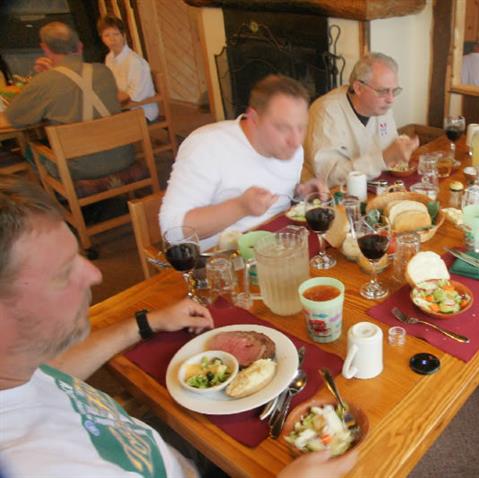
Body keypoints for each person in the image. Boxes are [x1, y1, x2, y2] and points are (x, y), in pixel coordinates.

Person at [0, 175, 358, 477]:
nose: (95, 273)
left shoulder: (16, 373)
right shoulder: (37, 465)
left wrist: (145, 323)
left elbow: (51, 374)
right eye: (63, 273)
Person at [160, 74, 327, 250]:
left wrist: (301, 195)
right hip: (219, 261)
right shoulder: (206, 146)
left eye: (301, 127)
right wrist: (240, 207)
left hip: (278, 249)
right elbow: (172, 231)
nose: (295, 141)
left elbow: (277, 195)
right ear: (253, 118)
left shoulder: (291, 149)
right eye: (282, 127)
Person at [0, 22, 134, 180]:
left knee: (31, 148)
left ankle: (56, 199)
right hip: (122, 156)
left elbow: (14, 118)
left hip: (78, 169)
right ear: (80, 46)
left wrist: (43, 77)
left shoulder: (44, 81)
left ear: (46, 49)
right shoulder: (103, 71)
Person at [305, 53, 419, 188]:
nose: (390, 99)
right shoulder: (326, 111)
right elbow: (330, 178)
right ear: (358, 88)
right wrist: (383, 158)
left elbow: (390, 148)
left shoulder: (381, 108)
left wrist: (401, 148)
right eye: (383, 91)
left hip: (371, 186)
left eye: (394, 91)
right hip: (326, 197)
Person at [97, 15, 159, 122]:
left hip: (140, 109)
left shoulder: (134, 61)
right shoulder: (109, 58)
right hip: (122, 106)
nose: (112, 39)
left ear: (123, 35)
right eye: (107, 35)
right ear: (102, 38)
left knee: (103, 126)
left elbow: (133, 96)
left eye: (116, 34)